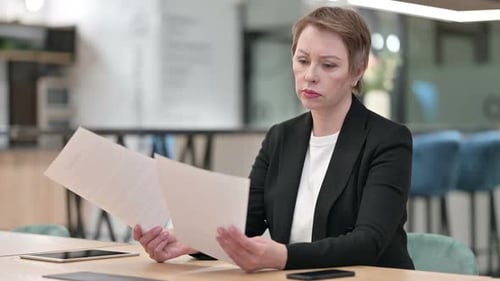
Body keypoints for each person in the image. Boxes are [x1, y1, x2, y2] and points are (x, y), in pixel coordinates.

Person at [134, 6, 414, 273]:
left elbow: (368, 242)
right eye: (302, 60)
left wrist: (283, 256)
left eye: (328, 65)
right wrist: (190, 241)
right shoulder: (281, 137)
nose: (310, 75)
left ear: (357, 71)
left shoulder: (388, 140)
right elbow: (248, 222)